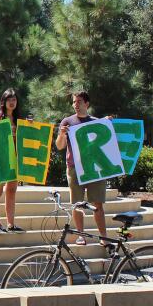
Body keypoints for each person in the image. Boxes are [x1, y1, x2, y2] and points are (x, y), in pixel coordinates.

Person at [54, 91, 109, 245]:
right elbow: (60, 147)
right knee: (77, 204)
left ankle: (103, 237)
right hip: (74, 168)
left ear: (87, 104)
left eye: (79, 101)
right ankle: (81, 236)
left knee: (97, 203)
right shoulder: (67, 121)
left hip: (95, 168)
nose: (76, 104)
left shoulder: (97, 122)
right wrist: (61, 135)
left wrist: (108, 124)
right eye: (74, 102)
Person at [0, 89, 24, 234]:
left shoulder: (19, 119)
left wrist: (30, 127)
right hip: (0, 159)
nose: (12, 102)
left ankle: (11, 224)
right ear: (3, 102)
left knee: (11, 191)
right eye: (9, 99)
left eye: (14, 99)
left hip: (14, 160)